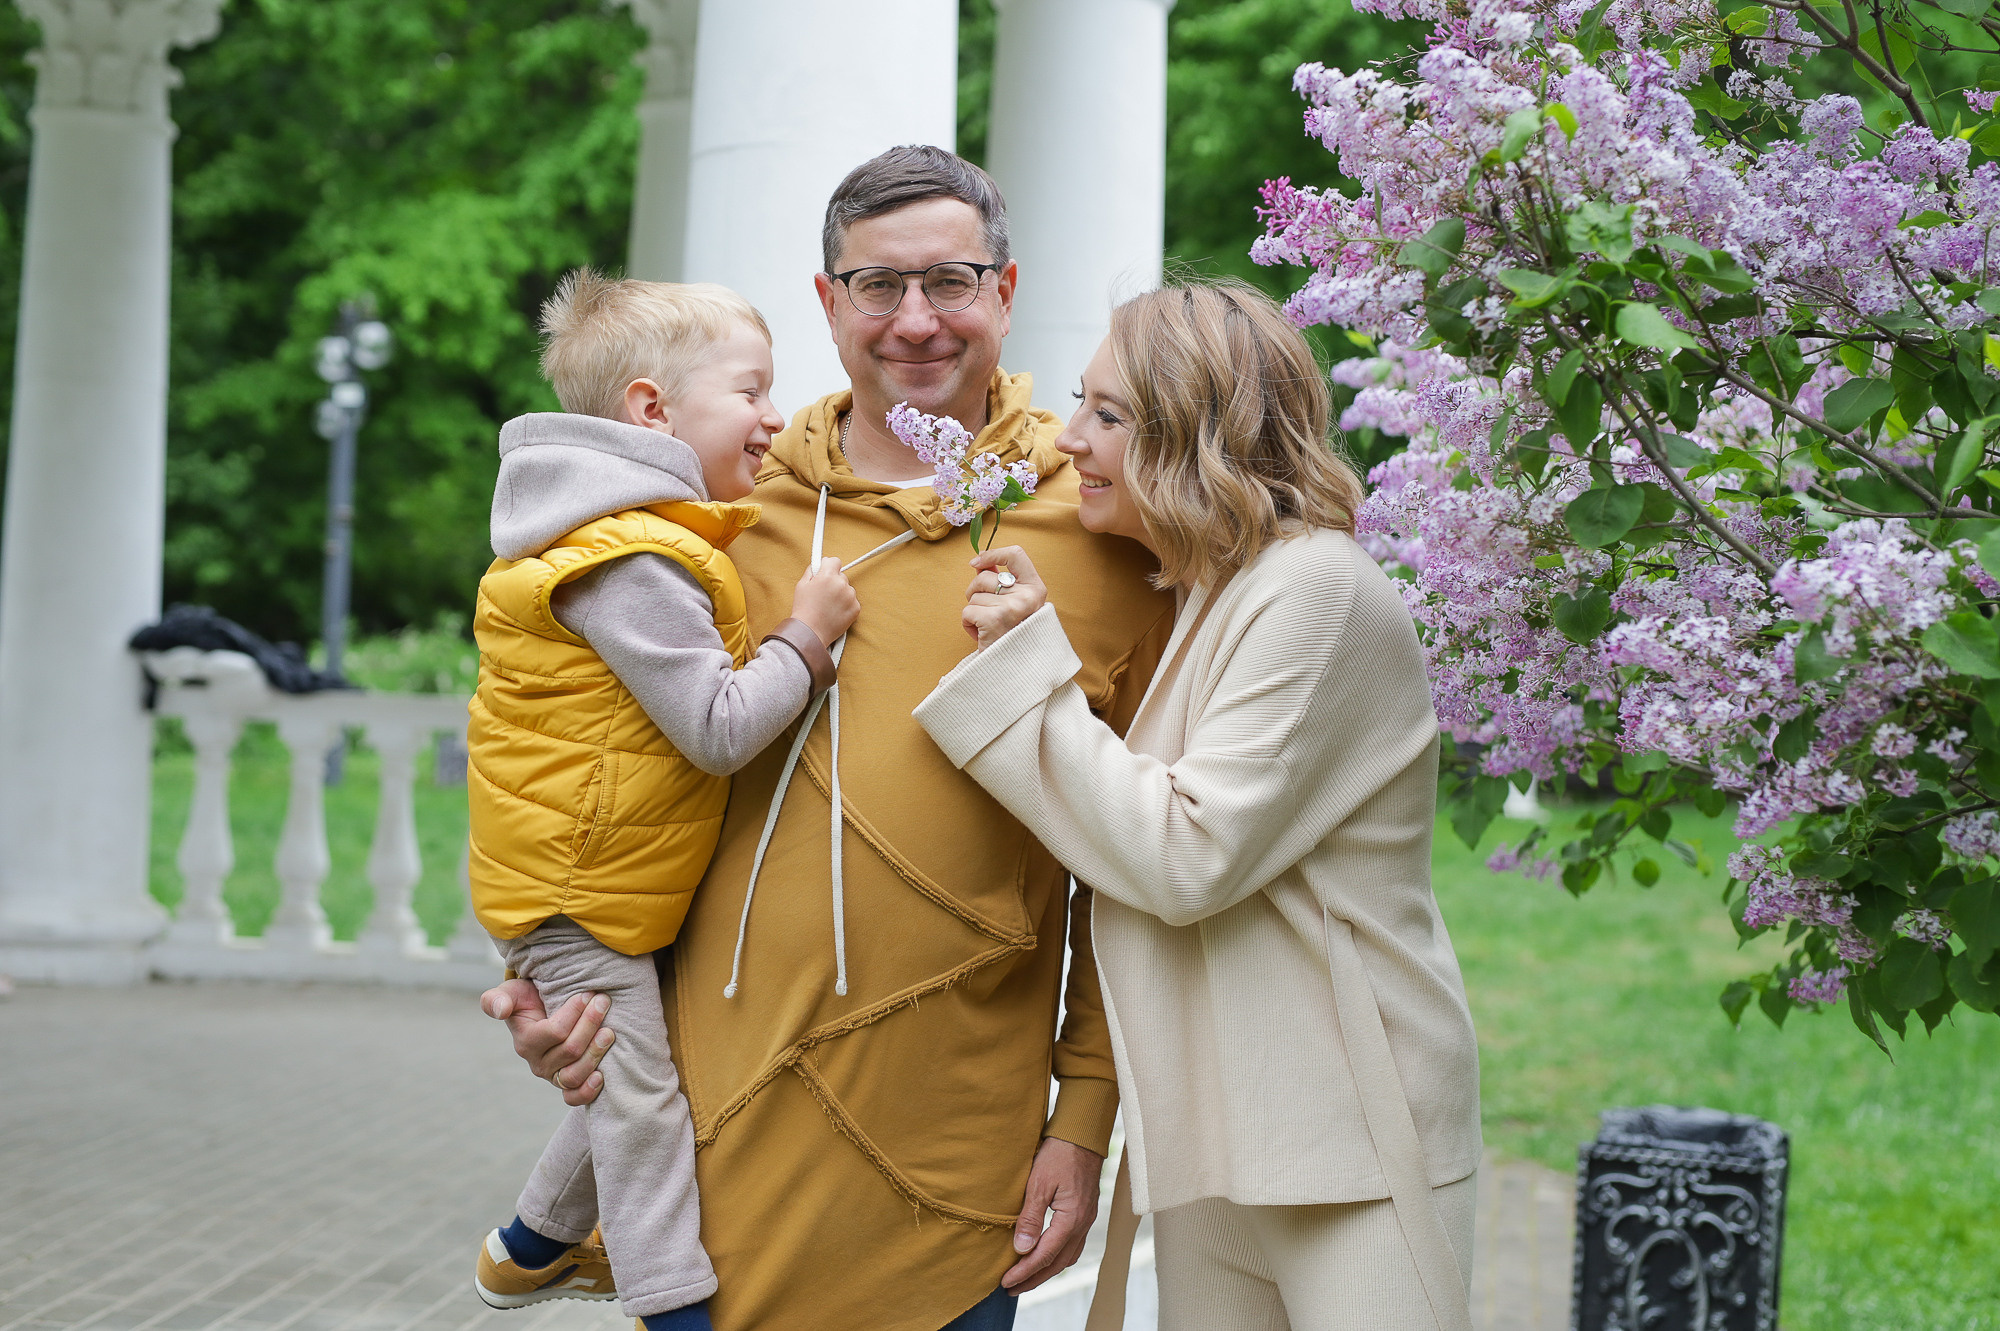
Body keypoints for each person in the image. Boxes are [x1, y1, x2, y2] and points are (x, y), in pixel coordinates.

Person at [480, 146, 1178, 1331]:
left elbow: (1141, 862)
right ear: (825, 301)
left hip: (955, 1155)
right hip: (717, 1138)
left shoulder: (1101, 522)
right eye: (876, 285)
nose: (915, 320)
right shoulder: (711, 521)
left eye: (950, 281)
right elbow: (577, 769)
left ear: (1005, 292)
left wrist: (1083, 1117)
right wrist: (554, 989)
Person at [912, 280, 1484, 1331]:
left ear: (1194, 434)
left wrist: (1026, 667)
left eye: (1108, 415)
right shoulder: (1207, 588)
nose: (1067, 439)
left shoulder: (1313, 585)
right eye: (1079, 404)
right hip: (1221, 1134)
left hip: (1346, 1136)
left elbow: (1181, 854)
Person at [465, 272, 860, 1331]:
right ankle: (669, 1305)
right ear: (652, 411)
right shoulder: (631, 558)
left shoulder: (616, 531)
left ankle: (530, 1244)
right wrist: (807, 641)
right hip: (576, 887)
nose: (774, 415)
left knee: (637, 1063)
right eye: (752, 389)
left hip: (577, 877)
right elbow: (719, 725)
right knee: (639, 1103)